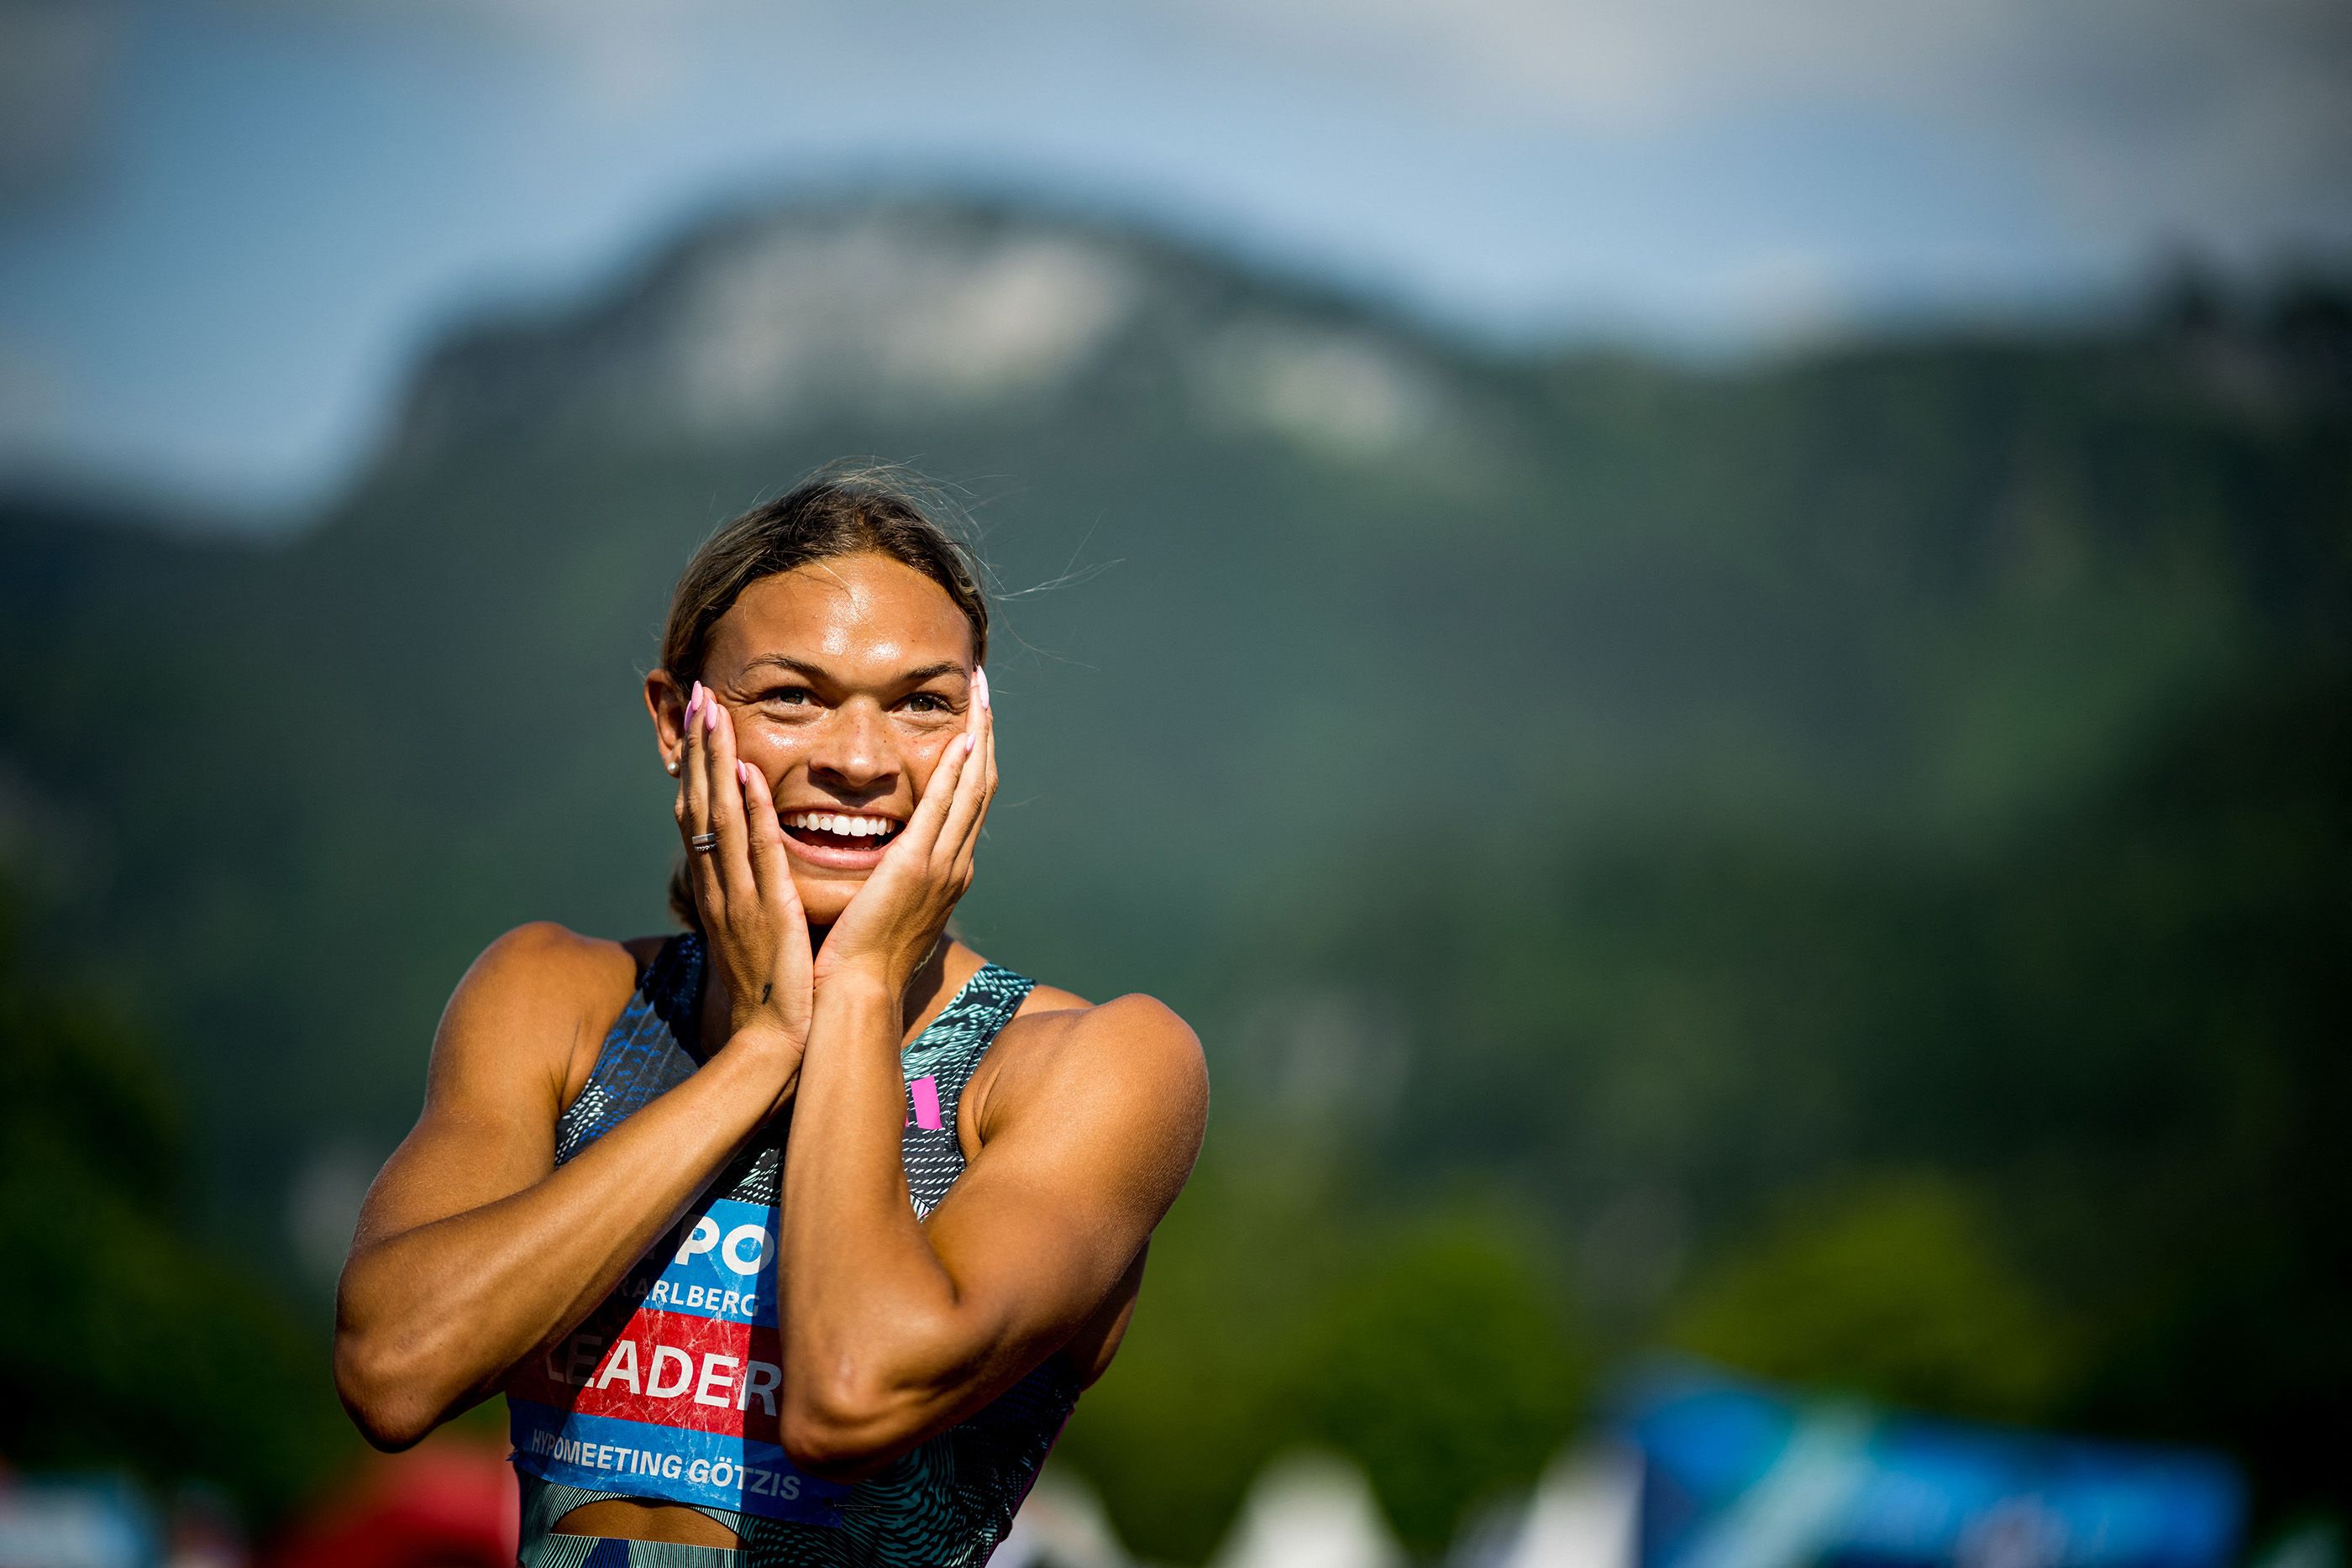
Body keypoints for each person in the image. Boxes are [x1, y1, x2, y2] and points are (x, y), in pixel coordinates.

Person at [333, 469, 1209, 1566]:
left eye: (922, 703)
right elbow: (395, 1368)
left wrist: (855, 988)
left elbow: (851, 1394)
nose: (858, 761)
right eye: (793, 696)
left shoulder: (1083, 1065)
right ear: (675, 719)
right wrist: (751, 1060)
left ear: (980, 740)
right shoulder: (560, 998)